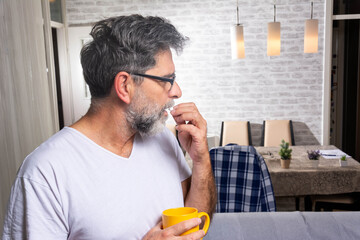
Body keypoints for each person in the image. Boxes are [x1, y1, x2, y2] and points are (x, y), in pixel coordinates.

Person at [2, 14, 216, 240]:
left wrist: (201, 159)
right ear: (124, 86)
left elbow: (196, 223)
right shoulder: (45, 173)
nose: (176, 91)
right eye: (167, 79)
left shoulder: (162, 137)